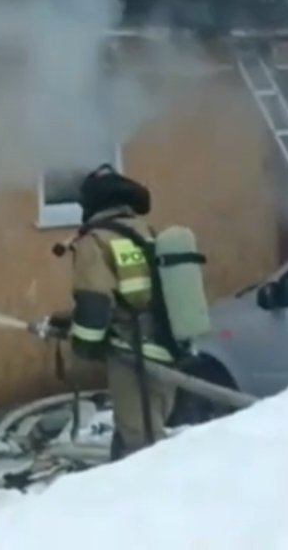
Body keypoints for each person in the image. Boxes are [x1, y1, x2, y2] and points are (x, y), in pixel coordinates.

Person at [53, 165, 177, 460]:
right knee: (145, 431)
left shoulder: (95, 241)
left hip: (132, 355)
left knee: (142, 446)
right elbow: (139, 292)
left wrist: (83, 345)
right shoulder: (145, 232)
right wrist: (71, 320)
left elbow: (94, 302)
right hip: (165, 348)